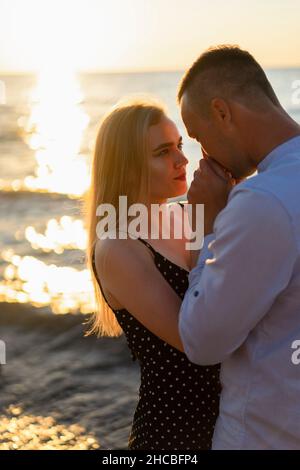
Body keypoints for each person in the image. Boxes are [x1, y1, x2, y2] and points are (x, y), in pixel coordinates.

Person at [178, 45, 300, 449]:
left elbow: (201, 341)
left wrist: (206, 225)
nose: (201, 153)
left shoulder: (262, 200)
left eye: (197, 136)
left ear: (222, 112)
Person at [85, 97, 221, 450]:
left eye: (178, 145)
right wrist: (206, 224)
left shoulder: (186, 214)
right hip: (172, 434)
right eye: (163, 152)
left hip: (233, 422)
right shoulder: (118, 246)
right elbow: (196, 341)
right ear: (127, 166)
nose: (183, 159)